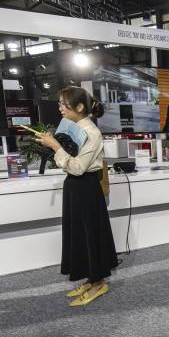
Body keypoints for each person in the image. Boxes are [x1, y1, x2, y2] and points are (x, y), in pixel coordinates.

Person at [36, 86, 118, 307]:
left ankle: (99, 282)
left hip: (87, 187)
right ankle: (90, 279)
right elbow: (68, 164)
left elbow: (79, 167)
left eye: (64, 104)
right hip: (74, 187)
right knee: (79, 235)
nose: (60, 108)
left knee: (91, 235)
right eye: (60, 104)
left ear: (80, 107)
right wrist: (54, 145)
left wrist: (55, 146)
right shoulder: (73, 127)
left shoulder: (91, 132)